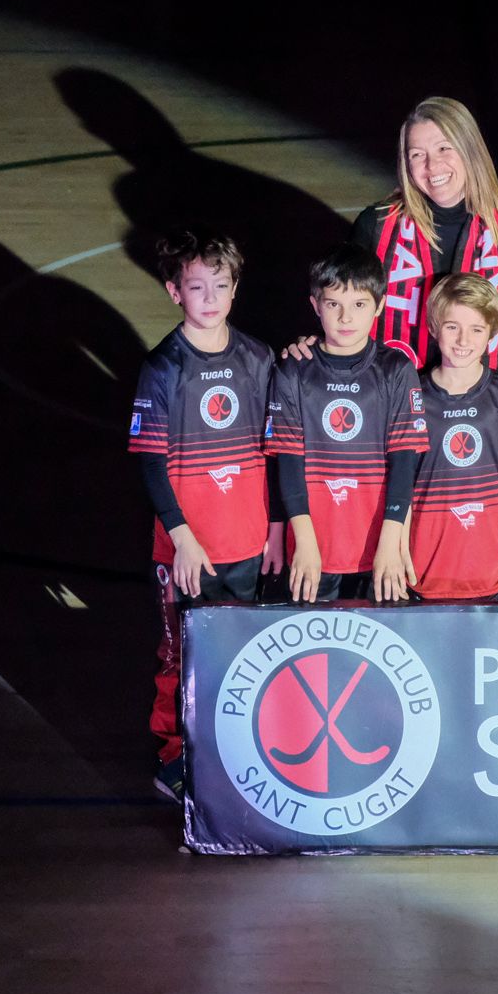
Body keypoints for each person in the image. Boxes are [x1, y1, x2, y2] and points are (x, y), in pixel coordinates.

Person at [126, 229, 283, 801]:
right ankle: (174, 756)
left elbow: (276, 453)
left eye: (221, 285)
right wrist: (183, 538)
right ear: (174, 292)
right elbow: (148, 464)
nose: (211, 297)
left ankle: (228, 751)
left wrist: (276, 529)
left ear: (236, 289)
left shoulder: (259, 358)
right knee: (180, 654)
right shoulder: (164, 366)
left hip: (246, 542)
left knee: (240, 651)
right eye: (197, 286)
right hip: (185, 550)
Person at [264, 244, 429, 604]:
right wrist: (305, 543)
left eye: (359, 304)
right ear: (315, 305)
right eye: (333, 304)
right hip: (314, 551)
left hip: (379, 550)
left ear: (380, 305)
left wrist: (390, 540)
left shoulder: (396, 370)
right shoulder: (293, 370)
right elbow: (287, 463)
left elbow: (405, 461)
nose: (345, 317)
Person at [351, 97, 498, 381]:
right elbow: (343, 311)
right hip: (395, 401)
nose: (432, 165)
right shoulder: (375, 226)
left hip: (485, 407)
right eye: (417, 154)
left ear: (469, 150)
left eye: (443, 148)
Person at [404, 273, 498, 600]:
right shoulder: (411, 395)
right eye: (452, 326)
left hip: (494, 574)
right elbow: (397, 484)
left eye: (476, 329)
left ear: (492, 335)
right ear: (433, 326)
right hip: (423, 575)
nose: (462, 340)